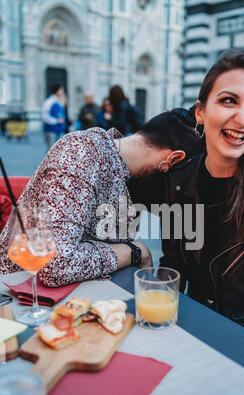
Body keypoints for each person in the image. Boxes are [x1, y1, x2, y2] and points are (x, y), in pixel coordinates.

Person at [128, 48, 244, 349]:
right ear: (200, 112)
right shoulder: (178, 181)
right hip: (193, 327)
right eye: (229, 100)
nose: (243, 118)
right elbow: (173, 265)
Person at [0, 111, 200, 287]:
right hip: (18, 296)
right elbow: (55, 264)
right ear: (172, 159)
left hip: (81, 297)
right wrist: (136, 251)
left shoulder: (126, 173)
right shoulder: (81, 153)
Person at [42, 84, 66, 149]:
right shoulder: (49, 102)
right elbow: (44, 116)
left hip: (60, 130)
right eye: (61, 90)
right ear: (57, 91)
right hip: (51, 130)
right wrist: (56, 121)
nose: (63, 92)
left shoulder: (59, 101)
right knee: (51, 150)